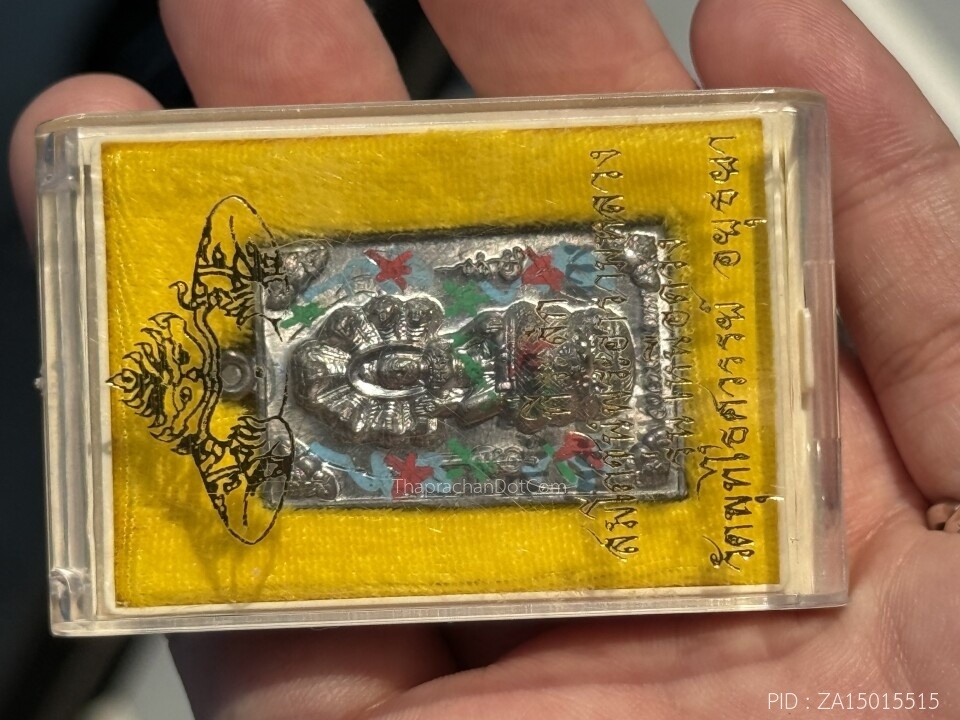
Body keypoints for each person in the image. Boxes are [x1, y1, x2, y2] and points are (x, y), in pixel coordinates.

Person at [10, 0, 959, 716]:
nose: (473, 375)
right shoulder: (372, 358)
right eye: (501, 352)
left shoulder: (404, 383)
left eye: (512, 376)